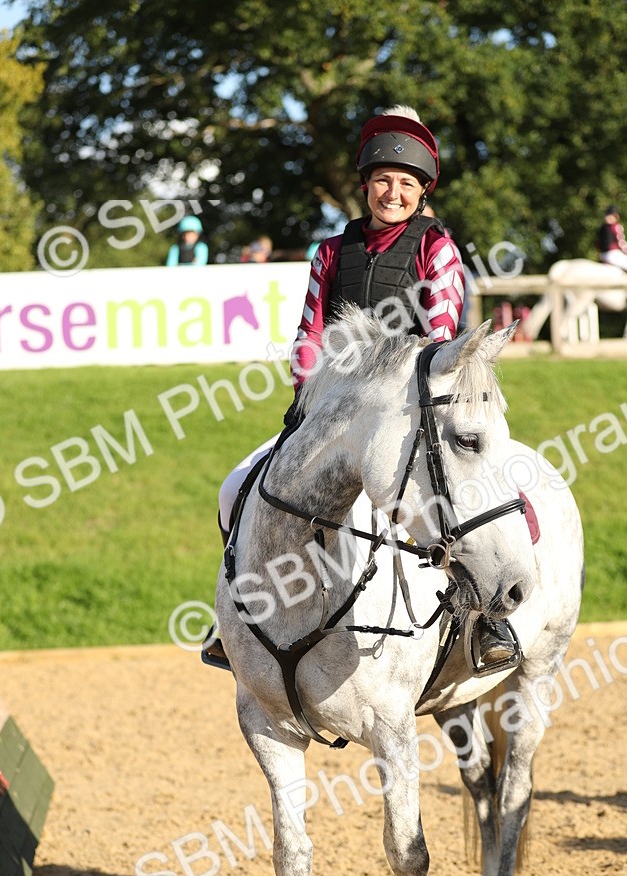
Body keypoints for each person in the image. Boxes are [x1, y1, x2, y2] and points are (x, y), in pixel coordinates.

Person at [206, 106, 516, 670]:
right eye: (382, 180)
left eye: (405, 183)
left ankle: (490, 621)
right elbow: (309, 330)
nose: (391, 192)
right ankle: (234, 617)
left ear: (421, 192)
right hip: (325, 414)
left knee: (471, 503)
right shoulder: (329, 251)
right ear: (365, 186)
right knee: (235, 489)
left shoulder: (436, 249)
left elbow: (441, 339)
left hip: (409, 416)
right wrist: (305, 398)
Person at [596, 205, 627, 274]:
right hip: (613, 254)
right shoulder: (616, 227)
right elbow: (621, 242)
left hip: (602, 255)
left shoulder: (602, 227)